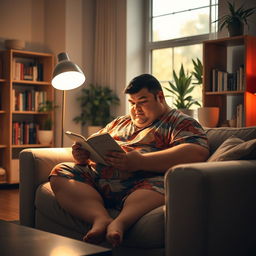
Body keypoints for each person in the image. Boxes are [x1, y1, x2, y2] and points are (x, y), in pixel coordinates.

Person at [49, 74, 209, 247]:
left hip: (142, 186)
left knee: (165, 183)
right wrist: (82, 155)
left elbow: (196, 152)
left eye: (142, 101)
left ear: (160, 97)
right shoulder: (121, 122)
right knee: (61, 171)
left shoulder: (180, 122)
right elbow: (92, 144)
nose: (136, 109)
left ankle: (120, 223)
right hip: (99, 180)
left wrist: (140, 161)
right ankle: (100, 218)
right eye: (132, 103)